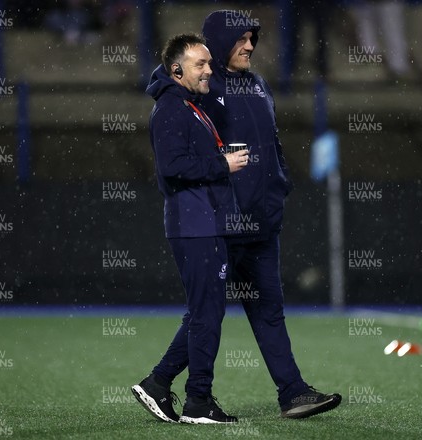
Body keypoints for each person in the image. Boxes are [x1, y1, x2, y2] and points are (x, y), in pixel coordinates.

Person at [201, 10, 342, 419]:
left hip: (262, 222)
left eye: (252, 39)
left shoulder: (260, 84)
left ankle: (293, 393)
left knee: (269, 311)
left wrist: (278, 186)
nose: (249, 46)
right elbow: (171, 109)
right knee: (205, 312)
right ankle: (165, 383)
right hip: (225, 222)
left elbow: (273, 145)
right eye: (241, 39)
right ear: (219, 40)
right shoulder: (205, 87)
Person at [131, 33, 249, 424]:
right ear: (176, 70)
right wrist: (223, 165)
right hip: (194, 224)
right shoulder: (171, 108)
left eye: (210, 63)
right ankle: (198, 400)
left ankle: (159, 384)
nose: (209, 71)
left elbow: (185, 160)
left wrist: (219, 160)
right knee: (206, 313)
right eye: (201, 64)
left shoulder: (186, 106)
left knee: (204, 312)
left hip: (204, 222)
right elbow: (172, 167)